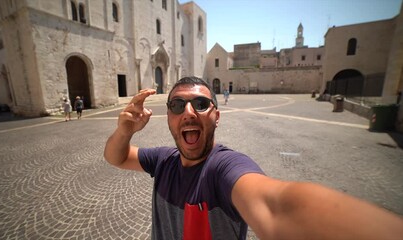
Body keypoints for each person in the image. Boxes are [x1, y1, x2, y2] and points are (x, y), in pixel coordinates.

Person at [104, 76, 403, 240]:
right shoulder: (163, 160)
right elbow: (116, 157)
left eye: (201, 103)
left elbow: (278, 207)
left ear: (217, 116)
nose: (189, 112)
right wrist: (124, 132)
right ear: (168, 116)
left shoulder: (223, 169)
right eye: (178, 104)